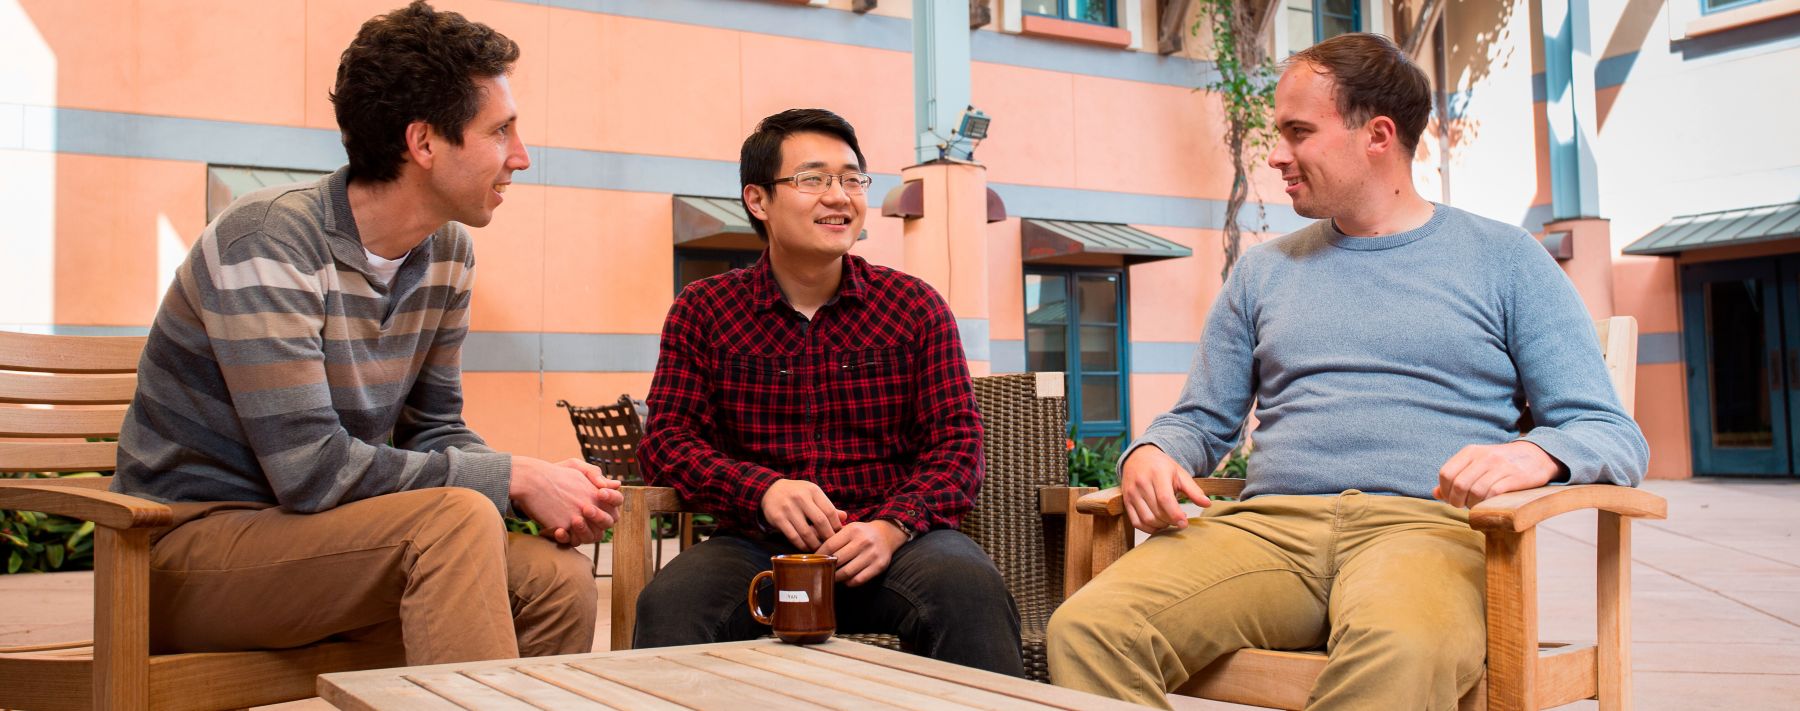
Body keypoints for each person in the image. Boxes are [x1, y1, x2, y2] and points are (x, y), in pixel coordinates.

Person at [1046, 33, 1648, 709]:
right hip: (1270, 530)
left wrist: (1536, 453)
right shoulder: (1263, 272)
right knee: (1088, 629)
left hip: (1428, 531)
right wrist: (1154, 449)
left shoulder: (1507, 259)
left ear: (1378, 135)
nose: (1276, 155)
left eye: (1298, 132)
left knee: (1400, 653)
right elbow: (1201, 419)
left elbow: (1610, 432)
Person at [112, 0, 618, 664]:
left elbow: (434, 429)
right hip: (183, 553)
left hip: (327, 544)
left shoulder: (446, 255)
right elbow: (311, 470)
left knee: (555, 581)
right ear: (425, 143)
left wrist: (542, 484)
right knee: (454, 522)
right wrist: (509, 477)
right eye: (501, 131)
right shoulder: (268, 241)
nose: (520, 157)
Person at [633, 108, 1024, 676]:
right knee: (671, 605)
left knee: (967, 589)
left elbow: (958, 446)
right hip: (756, 547)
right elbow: (667, 441)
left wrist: (892, 526)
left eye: (851, 178)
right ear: (758, 199)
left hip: (897, 547)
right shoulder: (704, 310)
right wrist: (762, 489)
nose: (838, 196)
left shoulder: (914, 307)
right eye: (812, 179)